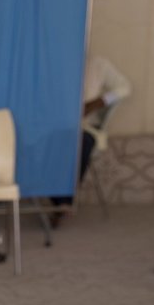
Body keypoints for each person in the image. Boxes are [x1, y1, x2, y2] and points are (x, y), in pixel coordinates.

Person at [51, 56, 132, 224]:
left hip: (84, 126)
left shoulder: (97, 64)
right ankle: (54, 200)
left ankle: (64, 201)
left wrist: (98, 102)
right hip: (52, 126)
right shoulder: (51, 60)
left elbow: (125, 88)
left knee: (82, 142)